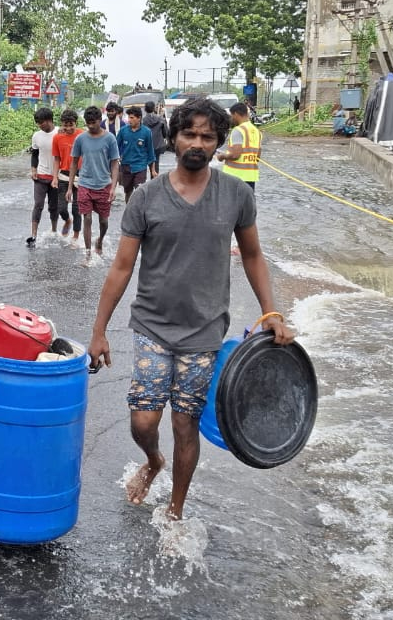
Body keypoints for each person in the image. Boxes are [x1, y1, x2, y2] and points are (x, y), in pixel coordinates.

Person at [86, 97, 294, 522]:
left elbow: (253, 256)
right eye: (189, 134)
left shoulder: (235, 195)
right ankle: (153, 460)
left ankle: (176, 509)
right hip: (151, 327)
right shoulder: (146, 197)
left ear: (218, 143)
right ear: (174, 138)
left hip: (204, 332)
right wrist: (99, 330)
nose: (197, 143)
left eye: (207, 136)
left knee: (186, 424)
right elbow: (122, 266)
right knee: (143, 422)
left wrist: (271, 312)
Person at [65, 106, 120, 260]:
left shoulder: (110, 138)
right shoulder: (80, 139)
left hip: (104, 184)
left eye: (93, 122)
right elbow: (74, 163)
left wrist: (113, 187)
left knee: (103, 220)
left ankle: (100, 240)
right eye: (88, 123)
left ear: (99, 121)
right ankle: (88, 254)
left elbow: (115, 163)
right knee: (87, 218)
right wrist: (70, 187)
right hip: (84, 184)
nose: (90, 125)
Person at [28, 106, 61, 245]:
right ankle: (33, 234)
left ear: (49, 120)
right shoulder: (36, 136)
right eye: (38, 122)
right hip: (41, 175)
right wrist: (33, 169)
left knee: (54, 206)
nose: (40, 125)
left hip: (57, 177)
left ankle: (54, 230)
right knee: (38, 204)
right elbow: (35, 154)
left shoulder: (60, 133)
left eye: (41, 122)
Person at [50, 108, 83, 245]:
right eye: (65, 125)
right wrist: (54, 177)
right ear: (62, 124)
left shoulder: (82, 135)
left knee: (77, 208)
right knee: (61, 208)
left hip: (81, 175)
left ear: (76, 123)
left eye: (71, 125)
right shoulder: (57, 137)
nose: (68, 128)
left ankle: (75, 236)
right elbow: (57, 159)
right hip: (63, 175)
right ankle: (67, 220)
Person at [116, 106, 158, 202]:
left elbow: (150, 151)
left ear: (139, 118)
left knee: (139, 191)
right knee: (128, 192)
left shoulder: (146, 132)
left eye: (132, 118)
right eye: (128, 117)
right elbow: (115, 148)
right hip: (126, 166)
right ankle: (129, 212)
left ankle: (138, 214)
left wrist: (153, 170)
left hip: (140, 167)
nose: (129, 120)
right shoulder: (123, 131)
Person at [217, 102, 262, 191]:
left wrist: (222, 156)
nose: (231, 118)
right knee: (246, 204)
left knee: (232, 204)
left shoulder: (238, 130)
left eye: (232, 115)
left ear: (236, 114)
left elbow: (235, 155)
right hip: (250, 177)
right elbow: (258, 157)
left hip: (235, 177)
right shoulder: (257, 131)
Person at [143, 100, 169, 175]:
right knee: (156, 164)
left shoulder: (143, 121)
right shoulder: (160, 119)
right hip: (158, 145)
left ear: (145, 109)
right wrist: (164, 137)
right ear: (154, 108)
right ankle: (154, 179)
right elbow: (165, 132)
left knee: (145, 164)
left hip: (146, 145)